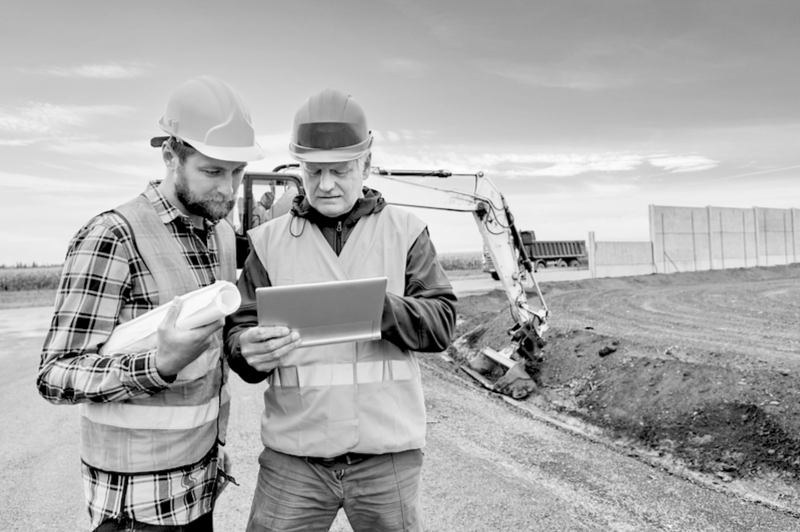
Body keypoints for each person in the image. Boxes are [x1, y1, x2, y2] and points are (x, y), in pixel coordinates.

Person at [37, 75, 265, 532]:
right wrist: (159, 364)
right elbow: (55, 373)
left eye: (237, 172)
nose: (228, 188)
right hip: (136, 505)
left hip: (199, 485)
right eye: (212, 171)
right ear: (170, 155)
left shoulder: (218, 233)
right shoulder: (112, 236)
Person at [224, 89, 457, 532]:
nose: (326, 184)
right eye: (314, 171)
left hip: (386, 459)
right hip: (295, 460)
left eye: (340, 170)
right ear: (301, 169)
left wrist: (373, 308)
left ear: (366, 165)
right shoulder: (268, 242)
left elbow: (441, 322)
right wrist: (245, 351)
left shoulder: (406, 232)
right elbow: (239, 333)